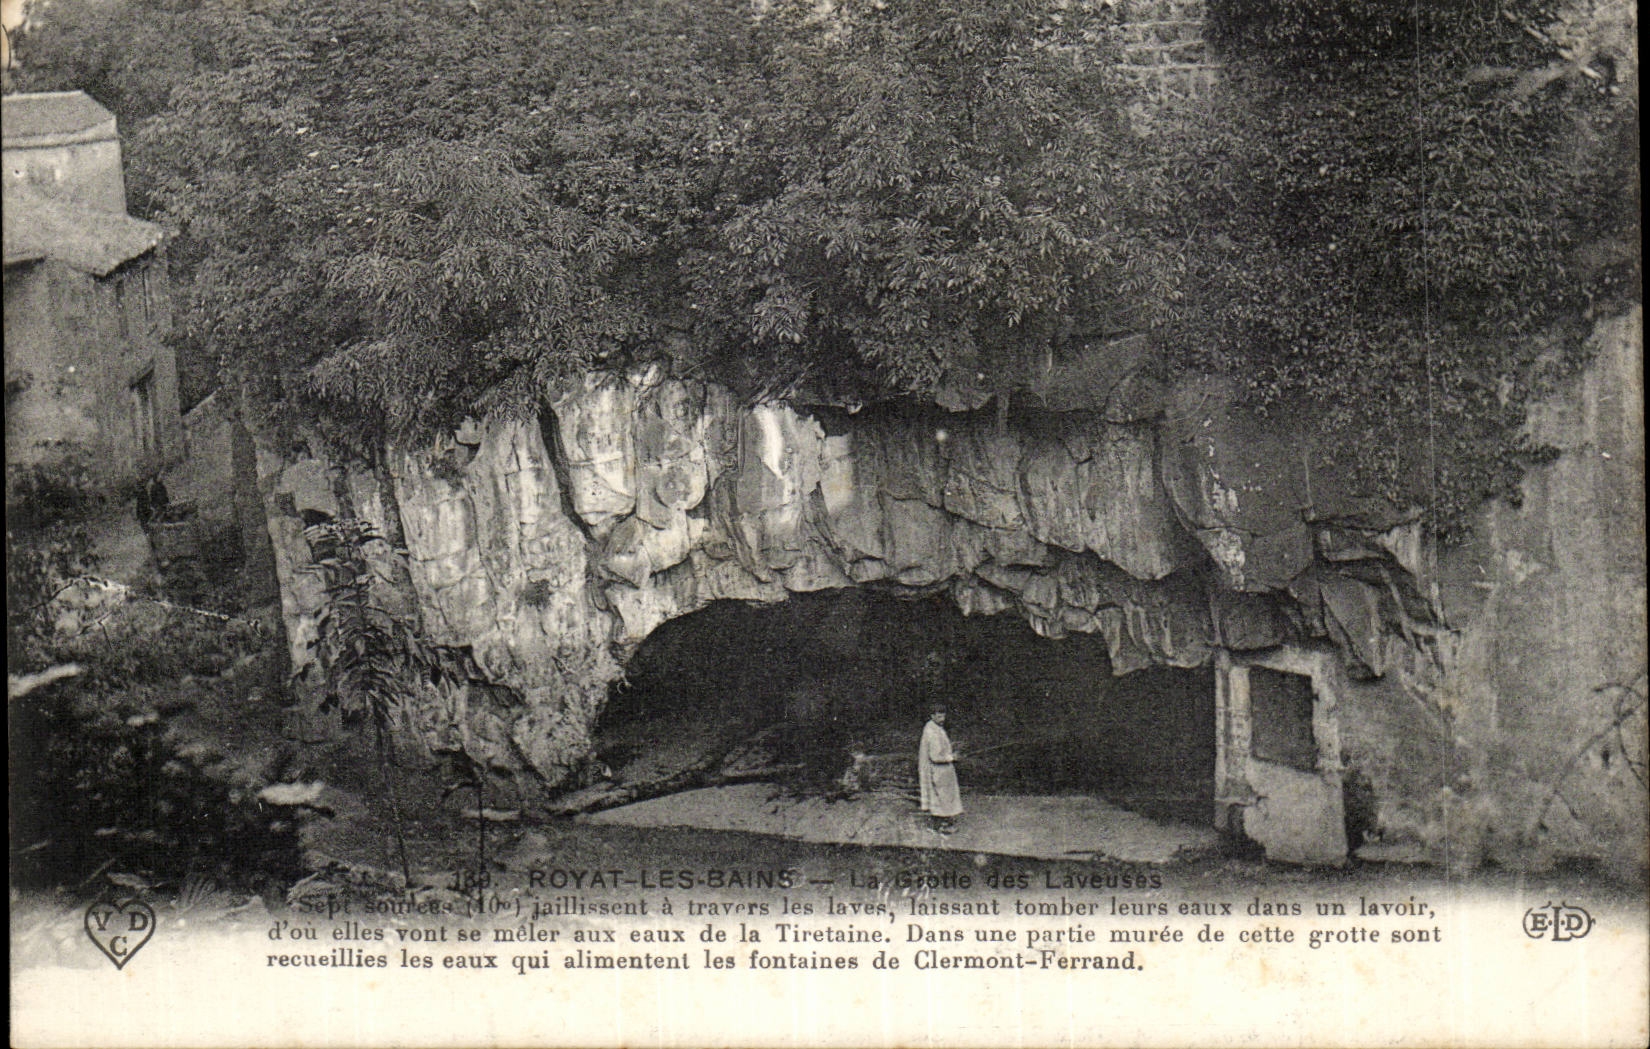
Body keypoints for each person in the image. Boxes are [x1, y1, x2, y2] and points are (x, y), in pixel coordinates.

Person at [917, 704, 962, 833]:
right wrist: (951, 757)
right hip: (938, 770)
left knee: (942, 795)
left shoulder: (935, 728)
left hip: (941, 770)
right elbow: (936, 756)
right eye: (939, 715)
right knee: (942, 796)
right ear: (932, 716)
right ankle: (941, 825)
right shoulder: (932, 732)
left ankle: (942, 821)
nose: (942, 718)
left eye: (943, 715)